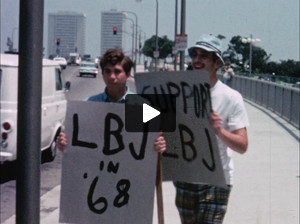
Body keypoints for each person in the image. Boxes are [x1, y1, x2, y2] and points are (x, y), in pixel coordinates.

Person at [174, 34, 249, 224]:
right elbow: (145, 118)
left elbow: (242, 146)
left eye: (204, 56)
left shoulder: (231, 97)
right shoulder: (178, 90)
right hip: (185, 176)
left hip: (217, 179)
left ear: (217, 64)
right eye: (195, 55)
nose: (197, 60)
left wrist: (219, 130)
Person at [56, 48, 166, 153]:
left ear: (128, 75)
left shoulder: (143, 107)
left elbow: (154, 142)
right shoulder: (88, 105)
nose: (112, 76)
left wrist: (158, 146)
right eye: (107, 71)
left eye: (117, 71)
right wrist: (63, 143)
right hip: (97, 171)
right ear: (102, 74)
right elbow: (73, 139)